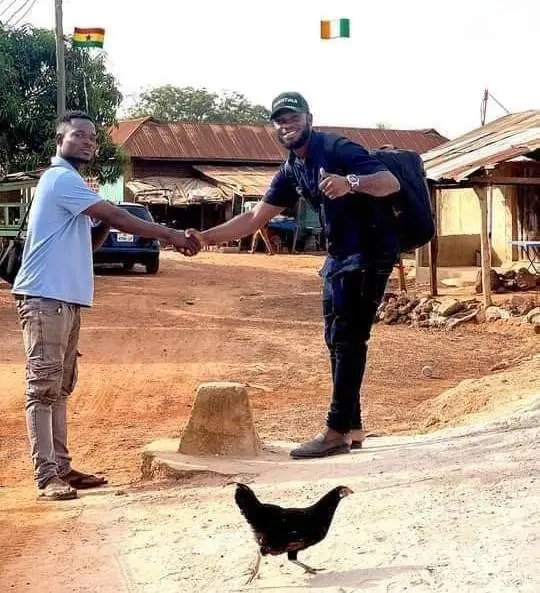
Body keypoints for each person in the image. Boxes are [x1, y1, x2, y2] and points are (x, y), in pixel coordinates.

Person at [191, 92, 400, 459]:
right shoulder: (292, 168)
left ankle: (335, 431)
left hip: (369, 254)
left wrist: (350, 182)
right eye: (280, 120)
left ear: (309, 118)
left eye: (293, 118)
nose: (287, 125)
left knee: (349, 339)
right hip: (337, 258)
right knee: (334, 339)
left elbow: (389, 182)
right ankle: (352, 427)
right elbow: (256, 218)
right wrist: (204, 237)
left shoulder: (336, 148)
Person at [12, 111, 201, 500]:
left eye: (92, 138)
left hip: (64, 301)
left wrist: (102, 220)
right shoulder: (61, 179)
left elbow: (93, 243)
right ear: (59, 141)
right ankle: (47, 476)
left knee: (60, 390)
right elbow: (116, 214)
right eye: (78, 135)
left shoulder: (74, 186)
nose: (87, 142)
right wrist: (170, 234)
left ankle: (61, 467)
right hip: (46, 299)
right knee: (42, 389)